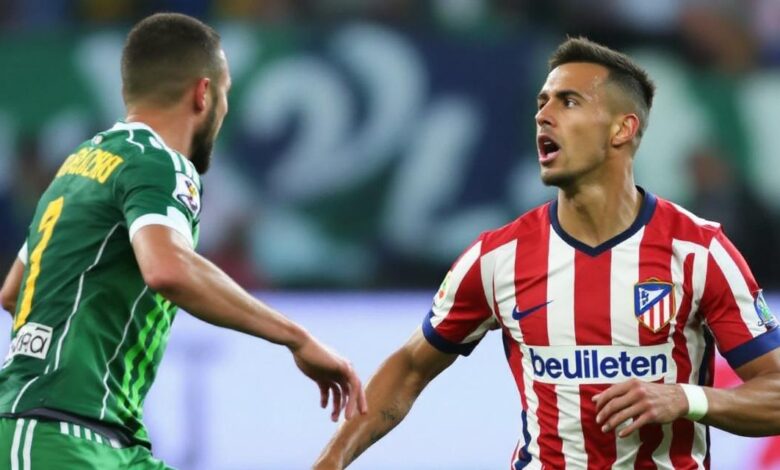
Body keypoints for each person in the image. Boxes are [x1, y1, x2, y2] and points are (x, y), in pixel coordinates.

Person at [314, 37, 780, 469]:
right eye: (542, 102)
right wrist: (330, 461)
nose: (543, 115)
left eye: (568, 101)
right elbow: (410, 367)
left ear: (622, 128)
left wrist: (687, 399)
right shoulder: (498, 257)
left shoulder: (698, 251)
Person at [0, 13, 366, 469]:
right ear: (203, 93)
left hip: (97, 436)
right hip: (61, 435)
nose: (224, 109)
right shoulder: (159, 162)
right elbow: (168, 269)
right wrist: (296, 338)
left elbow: (14, 291)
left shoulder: (77, 167)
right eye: (226, 93)